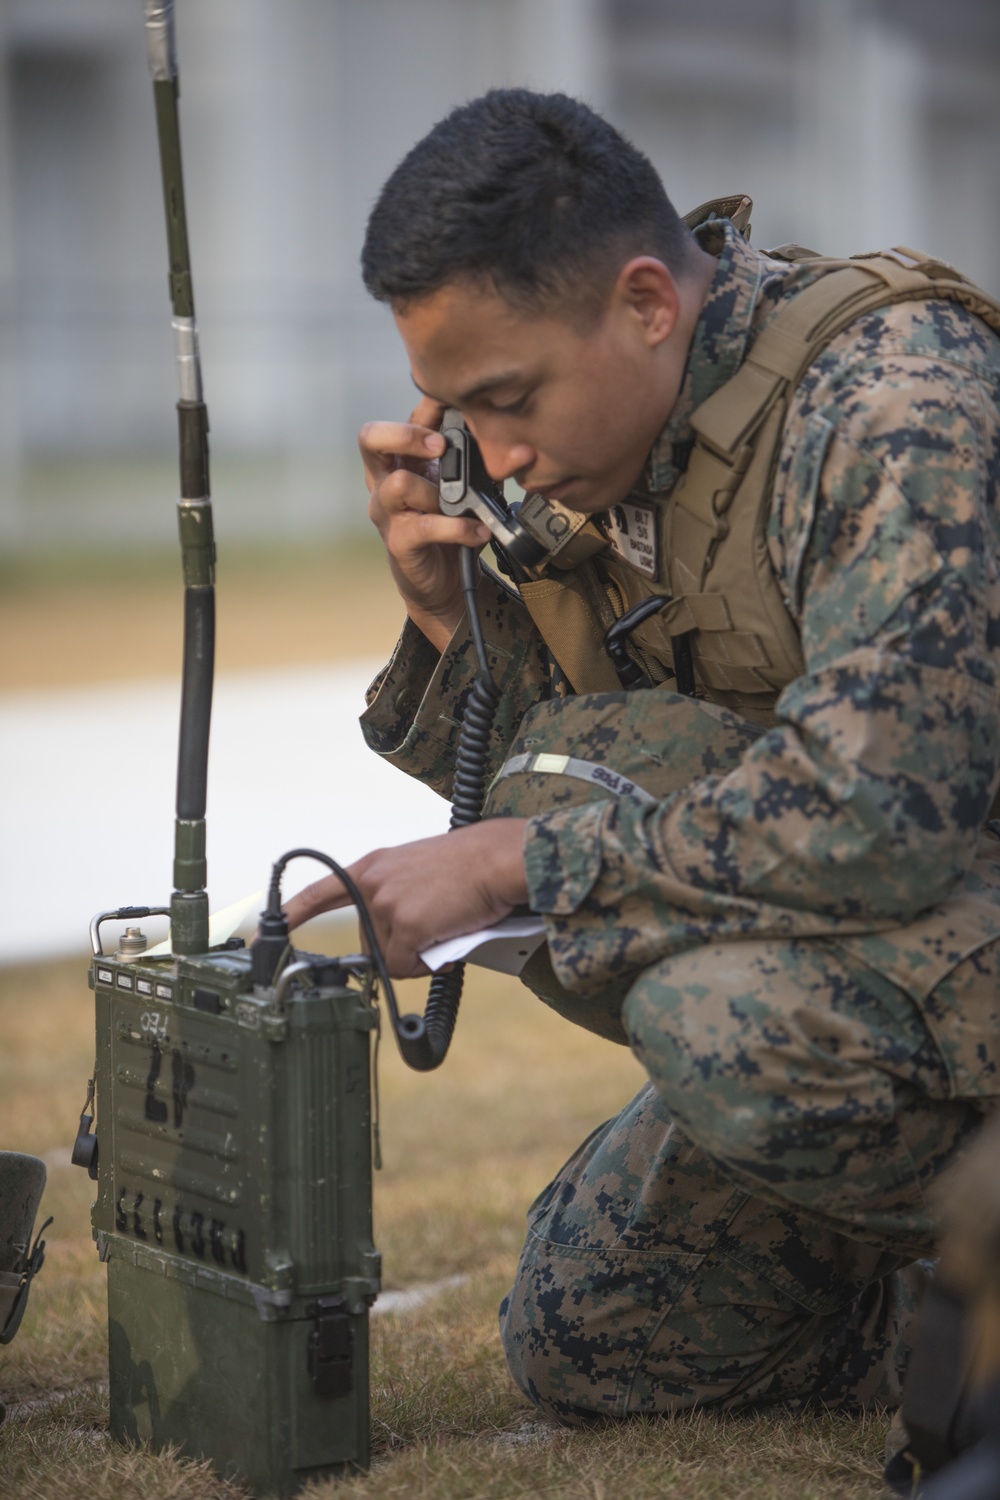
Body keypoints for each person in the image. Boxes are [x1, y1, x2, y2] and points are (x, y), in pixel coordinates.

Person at [284, 89, 1000, 1423]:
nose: (489, 454)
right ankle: (952, 1314)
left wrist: (521, 859)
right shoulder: (620, 455)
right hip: (907, 986)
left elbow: (879, 812)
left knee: (715, 1024)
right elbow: (609, 754)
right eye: (454, 411)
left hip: (921, 924)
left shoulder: (893, 406)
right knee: (594, 1329)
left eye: (506, 400)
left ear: (647, 305)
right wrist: (457, 628)